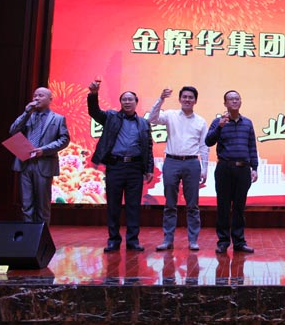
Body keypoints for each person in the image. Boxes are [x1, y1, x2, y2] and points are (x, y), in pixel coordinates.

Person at [87, 81, 154, 253]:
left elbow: (148, 147)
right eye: (124, 99)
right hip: (115, 166)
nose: (127, 102)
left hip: (135, 167)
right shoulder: (111, 117)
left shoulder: (143, 123)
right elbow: (94, 112)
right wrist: (93, 94)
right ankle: (113, 240)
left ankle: (133, 241)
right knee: (113, 205)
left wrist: (149, 169)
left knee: (133, 206)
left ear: (136, 102)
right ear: (121, 102)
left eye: (130, 99)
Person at [148, 87, 209, 252]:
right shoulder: (170, 115)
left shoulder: (200, 121)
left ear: (195, 100)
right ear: (180, 99)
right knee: (170, 204)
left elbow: (204, 146)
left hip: (192, 163)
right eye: (185, 97)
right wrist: (161, 99)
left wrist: (205, 168)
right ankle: (167, 240)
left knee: (193, 205)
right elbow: (152, 118)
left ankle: (193, 240)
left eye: (191, 97)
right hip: (172, 161)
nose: (187, 100)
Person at [205, 90, 258, 254]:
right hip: (224, 168)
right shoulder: (218, 122)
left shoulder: (247, 123)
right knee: (223, 206)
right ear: (225, 103)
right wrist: (220, 127)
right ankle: (223, 242)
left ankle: (239, 242)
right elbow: (208, 141)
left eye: (237, 99)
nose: (234, 101)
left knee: (239, 207)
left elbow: (252, 146)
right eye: (231, 99)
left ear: (240, 102)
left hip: (243, 169)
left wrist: (255, 168)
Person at [9, 87, 70, 224]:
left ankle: (43, 235)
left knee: (43, 206)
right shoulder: (27, 116)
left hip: (44, 163)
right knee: (26, 205)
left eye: (40, 96)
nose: (36, 98)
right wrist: (26, 113)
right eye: (35, 95)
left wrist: (44, 150)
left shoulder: (58, 119)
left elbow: (64, 140)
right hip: (25, 163)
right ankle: (29, 235)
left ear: (50, 99)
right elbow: (13, 130)